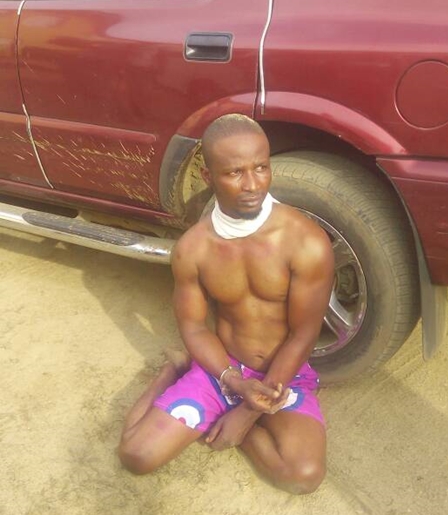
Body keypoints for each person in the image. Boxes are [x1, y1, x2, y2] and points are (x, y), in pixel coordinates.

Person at [118, 114, 335, 495]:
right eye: (235, 173)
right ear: (208, 176)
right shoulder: (193, 249)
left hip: (283, 374)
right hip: (221, 370)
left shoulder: (305, 241)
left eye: (261, 168)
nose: (252, 185)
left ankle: (228, 409)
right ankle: (174, 372)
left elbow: (304, 334)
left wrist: (247, 413)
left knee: (302, 475)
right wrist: (231, 381)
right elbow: (193, 326)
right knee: (136, 455)